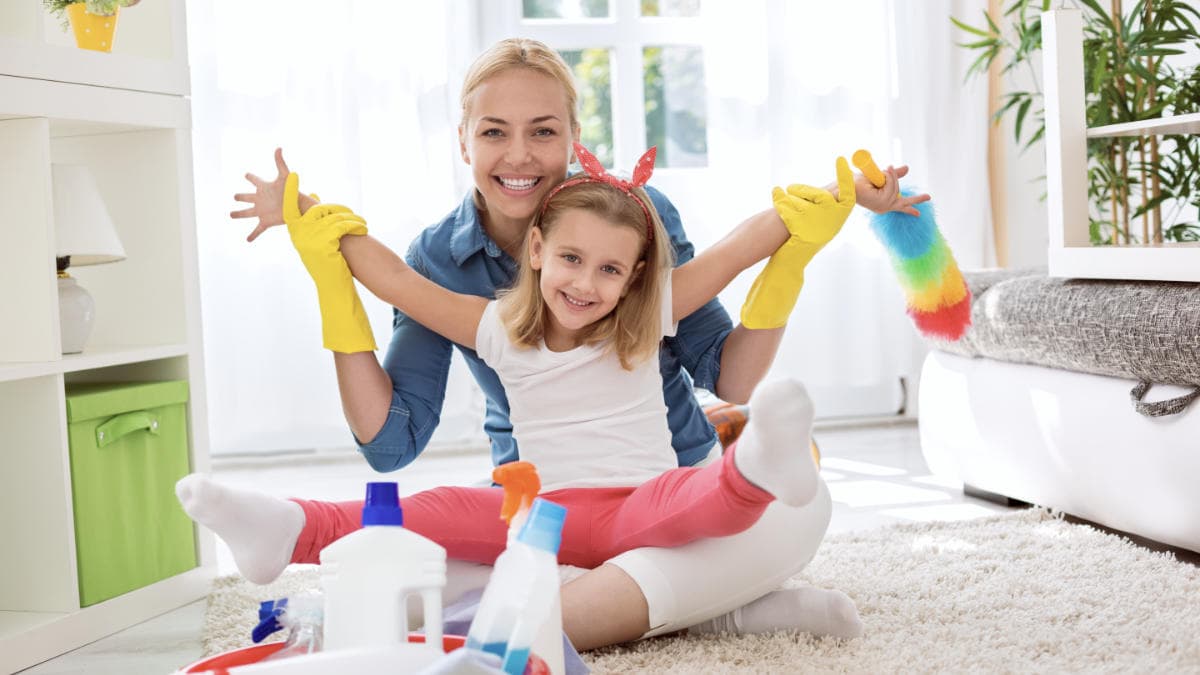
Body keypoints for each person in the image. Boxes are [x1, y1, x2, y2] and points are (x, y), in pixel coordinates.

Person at [226, 38, 926, 649]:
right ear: (463, 140)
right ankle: (722, 608)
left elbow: (733, 260)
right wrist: (322, 239)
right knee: (425, 539)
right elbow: (400, 298)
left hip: (667, 489)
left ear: (573, 136)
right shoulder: (484, 309)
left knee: (789, 503)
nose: (521, 154)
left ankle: (646, 584)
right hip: (540, 506)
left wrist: (806, 229)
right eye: (495, 132)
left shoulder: (638, 270)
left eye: (543, 131)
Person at [182, 141, 845, 605]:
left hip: (640, 503)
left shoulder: (646, 315)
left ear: (636, 277)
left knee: (691, 496)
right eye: (571, 258)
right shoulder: (496, 328)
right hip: (543, 518)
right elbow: (397, 281)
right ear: (537, 249)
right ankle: (290, 528)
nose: (586, 283)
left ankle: (756, 466)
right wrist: (314, 227)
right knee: (434, 507)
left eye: (611, 269)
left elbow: (739, 249)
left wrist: (810, 215)